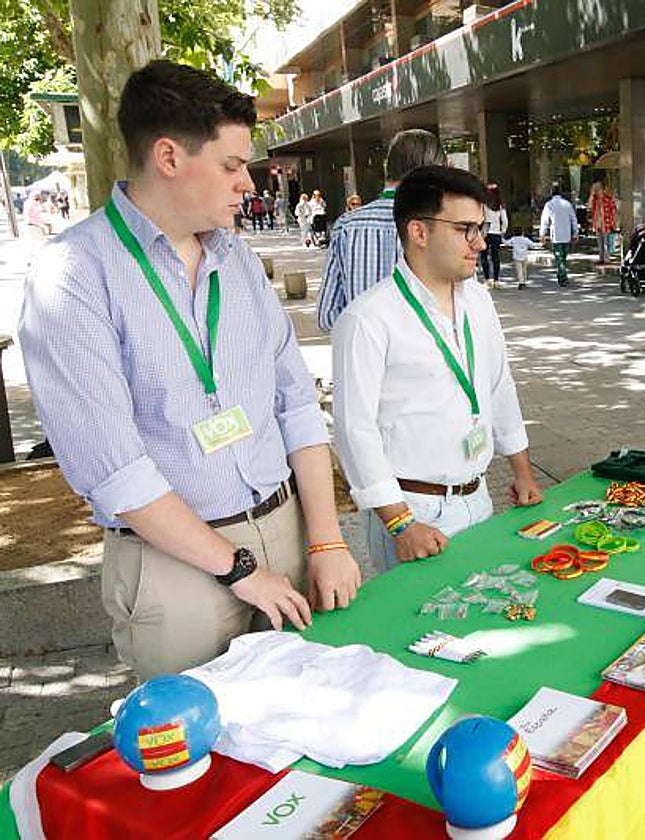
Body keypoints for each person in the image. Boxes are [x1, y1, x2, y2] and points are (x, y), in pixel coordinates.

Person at [18, 59, 361, 681]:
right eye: (231, 165)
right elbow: (116, 472)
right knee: (203, 753)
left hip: (284, 529)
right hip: (175, 567)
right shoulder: (73, 275)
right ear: (169, 156)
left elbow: (297, 406)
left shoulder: (236, 259)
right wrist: (239, 571)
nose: (248, 184)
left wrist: (326, 538)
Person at [332, 165, 543, 570]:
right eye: (466, 229)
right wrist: (400, 524)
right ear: (419, 232)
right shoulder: (368, 319)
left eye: (480, 228)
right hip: (414, 511)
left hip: (479, 497)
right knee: (425, 632)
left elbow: (499, 387)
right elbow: (354, 431)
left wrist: (523, 472)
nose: (480, 243)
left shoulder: (478, 301)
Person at [316, 128, 446, 331]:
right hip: (432, 358)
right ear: (436, 171)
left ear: (388, 168)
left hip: (365, 358)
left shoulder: (347, 227)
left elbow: (327, 316)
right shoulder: (445, 225)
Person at [539, 184, 578, 286]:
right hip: (566, 235)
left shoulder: (549, 205)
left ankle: (562, 275)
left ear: (551, 192)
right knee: (564, 257)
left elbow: (544, 221)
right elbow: (573, 219)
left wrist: (542, 234)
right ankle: (562, 275)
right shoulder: (567, 204)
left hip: (556, 235)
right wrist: (575, 232)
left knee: (559, 257)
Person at [482, 183, 508, 288]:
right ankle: (496, 280)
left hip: (485, 232)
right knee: (495, 257)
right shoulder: (500, 206)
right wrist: (502, 231)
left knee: (484, 257)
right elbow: (505, 221)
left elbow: (481, 218)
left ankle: (487, 279)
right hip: (496, 233)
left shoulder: (484, 205)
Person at [588, 180, 615, 264]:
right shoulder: (595, 200)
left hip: (605, 222)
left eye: (597, 189)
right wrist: (591, 195)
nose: (596, 191)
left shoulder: (607, 198)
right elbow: (589, 205)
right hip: (597, 223)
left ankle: (606, 258)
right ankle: (601, 257)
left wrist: (612, 222)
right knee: (600, 241)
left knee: (606, 241)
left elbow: (613, 210)